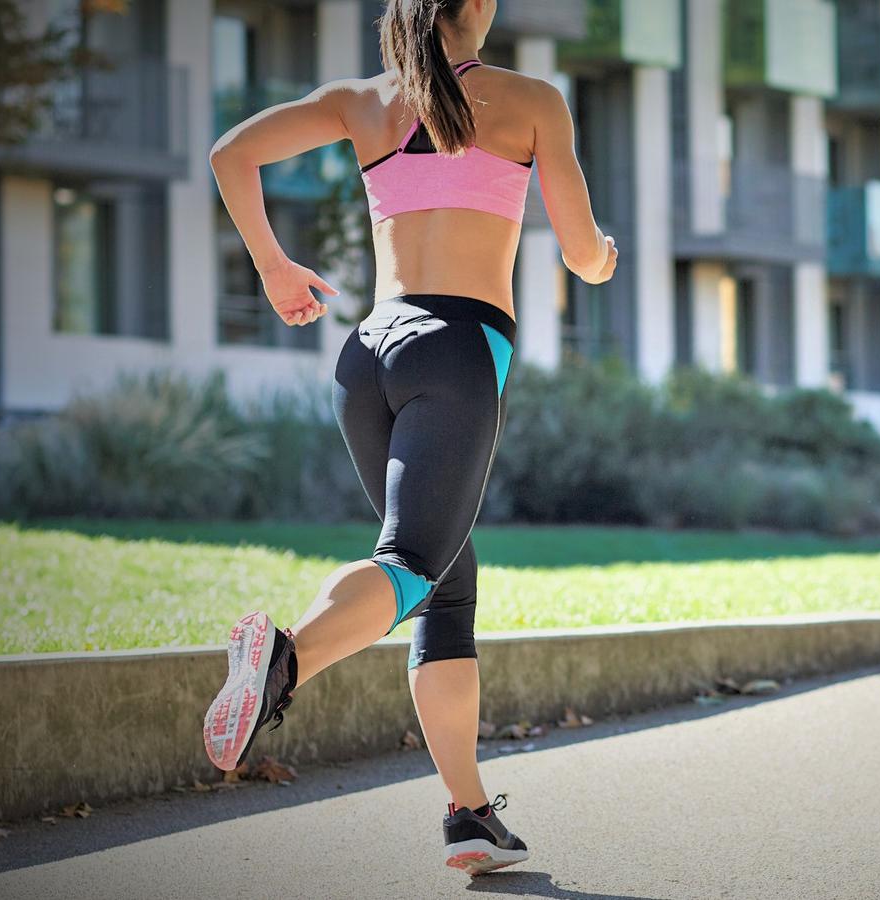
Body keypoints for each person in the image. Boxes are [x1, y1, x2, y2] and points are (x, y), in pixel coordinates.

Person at [202, 0, 617, 876]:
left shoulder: (363, 100)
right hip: (456, 349)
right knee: (413, 563)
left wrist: (274, 268)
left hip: (369, 354)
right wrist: (605, 253)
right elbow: (582, 256)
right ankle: (283, 661)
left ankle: (469, 815)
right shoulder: (531, 99)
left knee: (443, 585)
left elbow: (229, 153)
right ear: (473, 7)